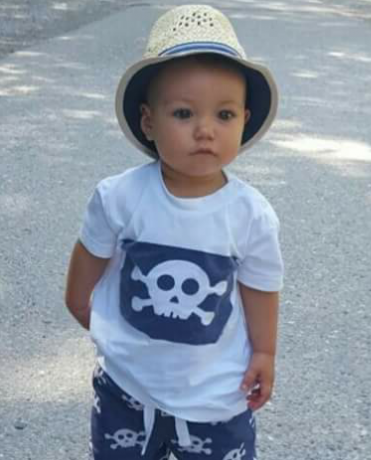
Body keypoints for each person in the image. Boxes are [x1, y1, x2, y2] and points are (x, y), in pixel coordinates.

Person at [65, 4, 283, 460]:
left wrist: (264, 352)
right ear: (149, 121)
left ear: (244, 121)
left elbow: (260, 287)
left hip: (216, 398)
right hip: (125, 390)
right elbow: (88, 261)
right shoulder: (119, 197)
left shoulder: (251, 215)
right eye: (184, 113)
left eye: (224, 115)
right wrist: (87, 310)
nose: (205, 130)